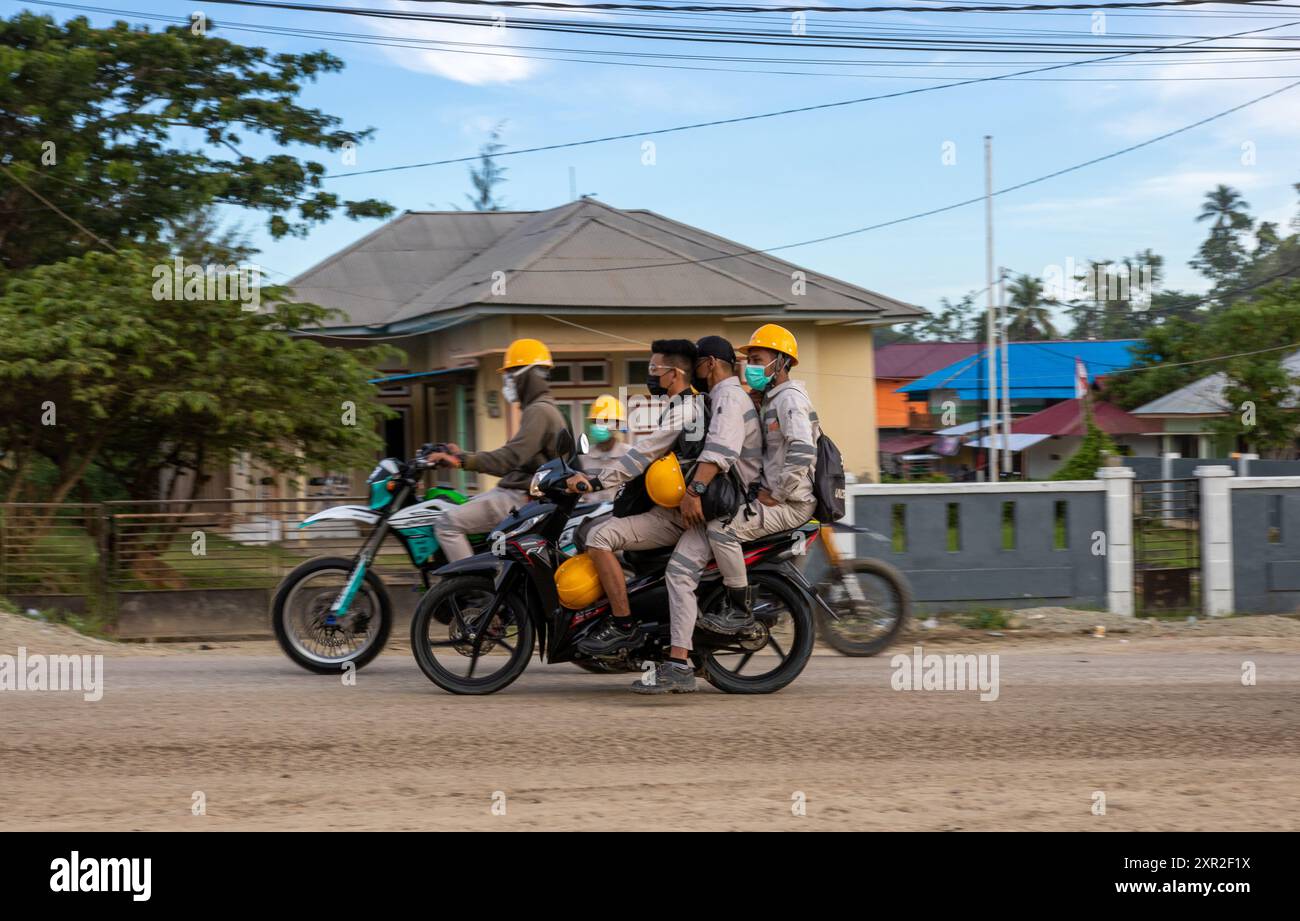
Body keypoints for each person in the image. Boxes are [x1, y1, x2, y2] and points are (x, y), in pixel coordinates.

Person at [633, 335, 763, 695]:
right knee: (677, 573)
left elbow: (720, 452)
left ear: (710, 364)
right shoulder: (719, 397)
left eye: (701, 364)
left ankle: (739, 607)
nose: (699, 371)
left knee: (679, 573)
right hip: (721, 501)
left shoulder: (728, 397)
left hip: (729, 503)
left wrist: (694, 492)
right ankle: (679, 664)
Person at [562, 340, 703, 656]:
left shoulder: (686, 409)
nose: (651, 375)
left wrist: (598, 481)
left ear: (674, 373)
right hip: (671, 505)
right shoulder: (686, 406)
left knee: (599, 538)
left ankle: (623, 626)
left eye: (654, 369)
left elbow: (644, 453)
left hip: (675, 513)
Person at [699, 324, 819, 636]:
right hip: (778, 496)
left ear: (781, 361)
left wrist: (777, 493)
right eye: (748, 359)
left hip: (791, 502)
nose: (750, 366)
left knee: (721, 530)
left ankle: (739, 610)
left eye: (757, 358)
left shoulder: (789, 399)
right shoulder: (773, 398)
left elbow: (803, 450)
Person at [426, 338, 568, 561]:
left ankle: (469, 587)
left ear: (528, 375)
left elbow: (508, 459)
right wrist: (460, 454)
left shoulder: (539, 412)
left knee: (446, 523)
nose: (507, 381)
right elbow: (515, 459)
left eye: (511, 373)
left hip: (522, 498)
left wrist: (461, 461)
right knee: (459, 507)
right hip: (518, 493)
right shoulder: (541, 409)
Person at [578, 394, 632, 503]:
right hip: (589, 516)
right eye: (595, 421)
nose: (598, 425)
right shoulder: (583, 456)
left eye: (605, 421)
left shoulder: (630, 455)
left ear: (618, 425)